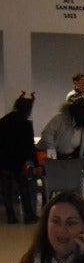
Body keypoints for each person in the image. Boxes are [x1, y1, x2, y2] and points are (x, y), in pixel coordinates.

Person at [0, 93, 38, 224]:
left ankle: (11, 216)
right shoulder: (26, 124)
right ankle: (29, 215)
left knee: (7, 189)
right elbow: (29, 146)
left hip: (4, 161)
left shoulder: (3, 121)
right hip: (19, 161)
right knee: (24, 188)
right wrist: (34, 162)